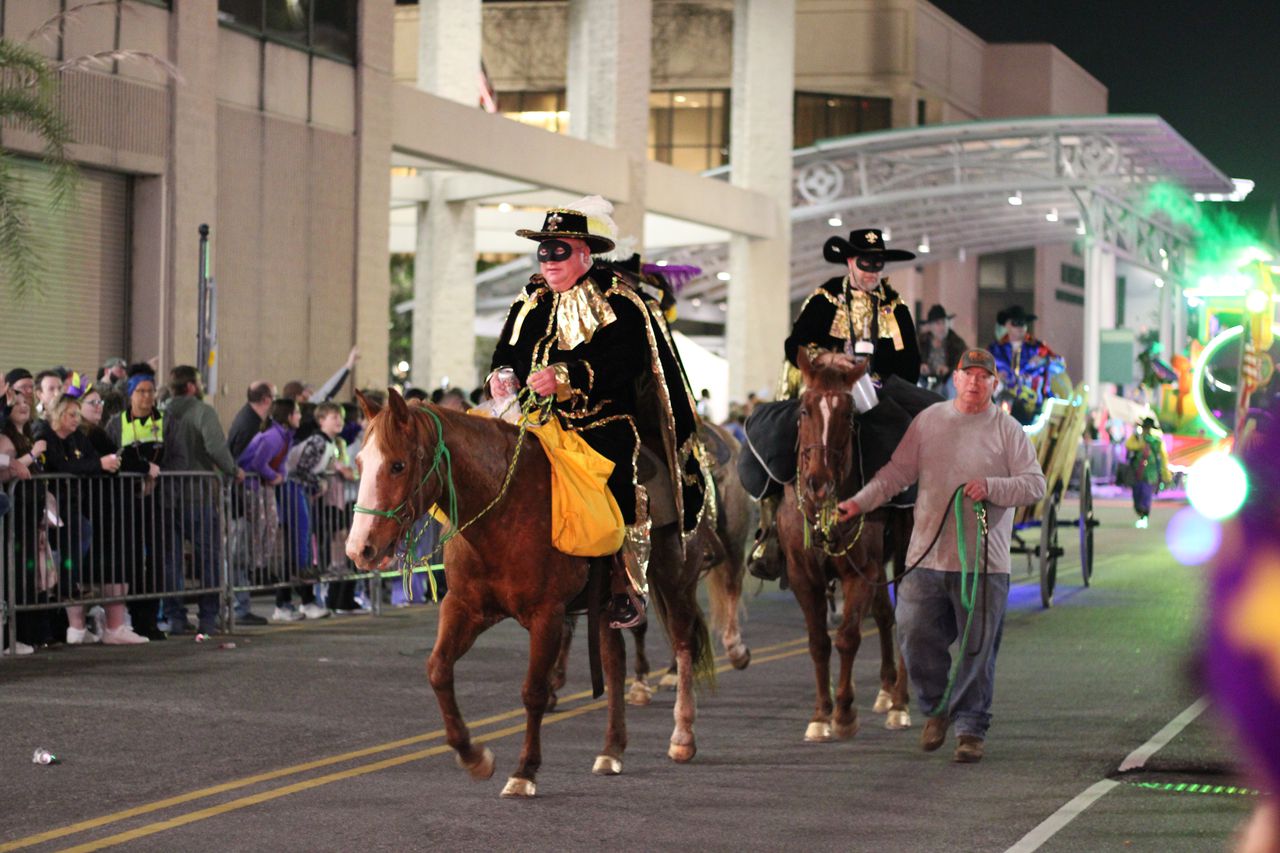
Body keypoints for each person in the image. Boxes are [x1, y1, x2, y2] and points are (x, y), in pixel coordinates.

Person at [488, 196, 708, 628]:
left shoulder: (619, 300)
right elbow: (506, 349)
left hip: (600, 420)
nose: (549, 261)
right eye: (544, 251)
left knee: (620, 482)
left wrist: (568, 377)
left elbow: (627, 361)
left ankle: (626, 584)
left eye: (560, 251)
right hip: (529, 417)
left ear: (585, 254)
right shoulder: (531, 297)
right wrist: (499, 375)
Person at [837, 349, 1045, 763]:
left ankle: (970, 729)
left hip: (984, 564)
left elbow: (1034, 485)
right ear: (955, 378)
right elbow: (896, 474)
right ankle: (934, 706)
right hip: (926, 557)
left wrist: (992, 487)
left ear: (994, 384)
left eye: (983, 377)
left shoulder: (1008, 431)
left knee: (977, 649)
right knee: (913, 634)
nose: (974, 382)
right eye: (968, 375)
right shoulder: (929, 422)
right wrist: (858, 503)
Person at [744, 227, 931, 578]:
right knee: (774, 432)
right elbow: (794, 344)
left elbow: (910, 363)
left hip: (878, 391)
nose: (872, 270)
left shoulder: (896, 306)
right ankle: (770, 527)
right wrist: (830, 363)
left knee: (914, 433)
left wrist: (873, 375)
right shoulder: (824, 298)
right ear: (850, 261)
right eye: (866, 263)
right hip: (826, 386)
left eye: (878, 264)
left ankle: (909, 525)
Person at [161, 366, 242, 635]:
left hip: (165, 494)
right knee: (208, 557)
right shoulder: (202, 411)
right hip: (197, 494)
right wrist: (232, 469)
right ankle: (209, 616)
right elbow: (216, 447)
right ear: (193, 386)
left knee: (171, 560)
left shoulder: (160, 411)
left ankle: (175, 617)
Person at [77, 384, 149, 643]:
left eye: (100, 403)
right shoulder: (87, 434)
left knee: (112, 564)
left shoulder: (94, 432)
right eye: (92, 403)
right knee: (111, 564)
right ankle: (112, 626)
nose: (98, 407)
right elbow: (117, 460)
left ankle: (112, 624)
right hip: (102, 507)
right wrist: (144, 466)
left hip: (107, 505)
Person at [105, 364, 167, 640]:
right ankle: (128, 618)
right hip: (126, 500)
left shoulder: (166, 421)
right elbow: (111, 456)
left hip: (156, 499)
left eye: (150, 391)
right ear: (130, 394)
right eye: (140, 391)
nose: (146, 397)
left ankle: (149, 619)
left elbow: (173, 455)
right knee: (130, 559)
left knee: (155, 561)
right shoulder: (116, 423)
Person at [286, 401, 358, 612]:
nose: (340, 422)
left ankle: (307, 601)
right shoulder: (319, 441)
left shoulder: (329, 443)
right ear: (321, 420)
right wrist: (320, 482)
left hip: (304, 493)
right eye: (334, 417)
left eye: (341, 418)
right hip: (296, 490)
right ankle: (300, 601)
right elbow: (299, 470)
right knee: (302, 546)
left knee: (307, 545)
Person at [987, 305, 1066, 425]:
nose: (1020, 327)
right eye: (1016, 323)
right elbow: (983, 371)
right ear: (1007, 325)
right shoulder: (995, 349)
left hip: (1034, 406)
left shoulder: (1037, 348)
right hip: (1003, 404)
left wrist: (1044, 361)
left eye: (1023, 323)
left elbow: (1060, 365)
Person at [1124, 416, 1170, 529]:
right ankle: (1141, 513)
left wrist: (1165, 474)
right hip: (1137, 472)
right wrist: (1140, 442)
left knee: (1146, 495)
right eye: (1145, 428)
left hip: (1150, 473)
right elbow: (1128, 445)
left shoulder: (1157, 442)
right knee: (1136, 497)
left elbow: (1164, 458)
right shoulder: (1137, 439)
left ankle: (1144, 516)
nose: (1147, 430)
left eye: (1148, 428)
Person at [918, 304, 968, 399]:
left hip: (946, 381)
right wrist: (920, 366)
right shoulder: (921, 341)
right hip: (924, 381)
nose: (942, 327)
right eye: (938, 323)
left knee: (953, 384)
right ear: (930, 326)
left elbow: (965, 361)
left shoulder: (956, 342)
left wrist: (949, 369)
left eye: (944, 322)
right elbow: (909, 359)